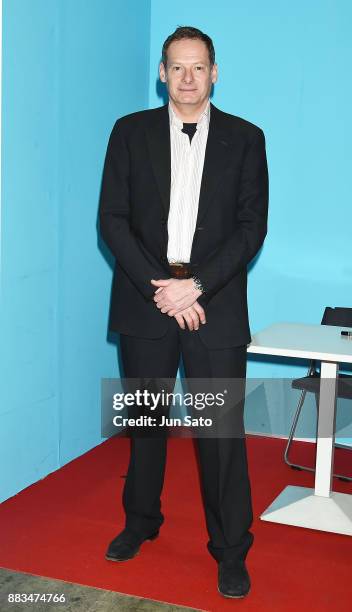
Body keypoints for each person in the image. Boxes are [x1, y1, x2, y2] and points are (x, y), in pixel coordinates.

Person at [99, 26, 268, 599]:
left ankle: (229, 550)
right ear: (162, 74)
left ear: (215, 72)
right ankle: (140, 523)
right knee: (146, 422)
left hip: (214, 304)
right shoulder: (128, 132)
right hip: (146, 298)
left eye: (199, 68)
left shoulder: (247, 139)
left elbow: (251, 229)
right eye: (177, 67)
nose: (188, 78)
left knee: (220, 435)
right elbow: (113, 221)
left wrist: (194, 287)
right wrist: (163, 290)